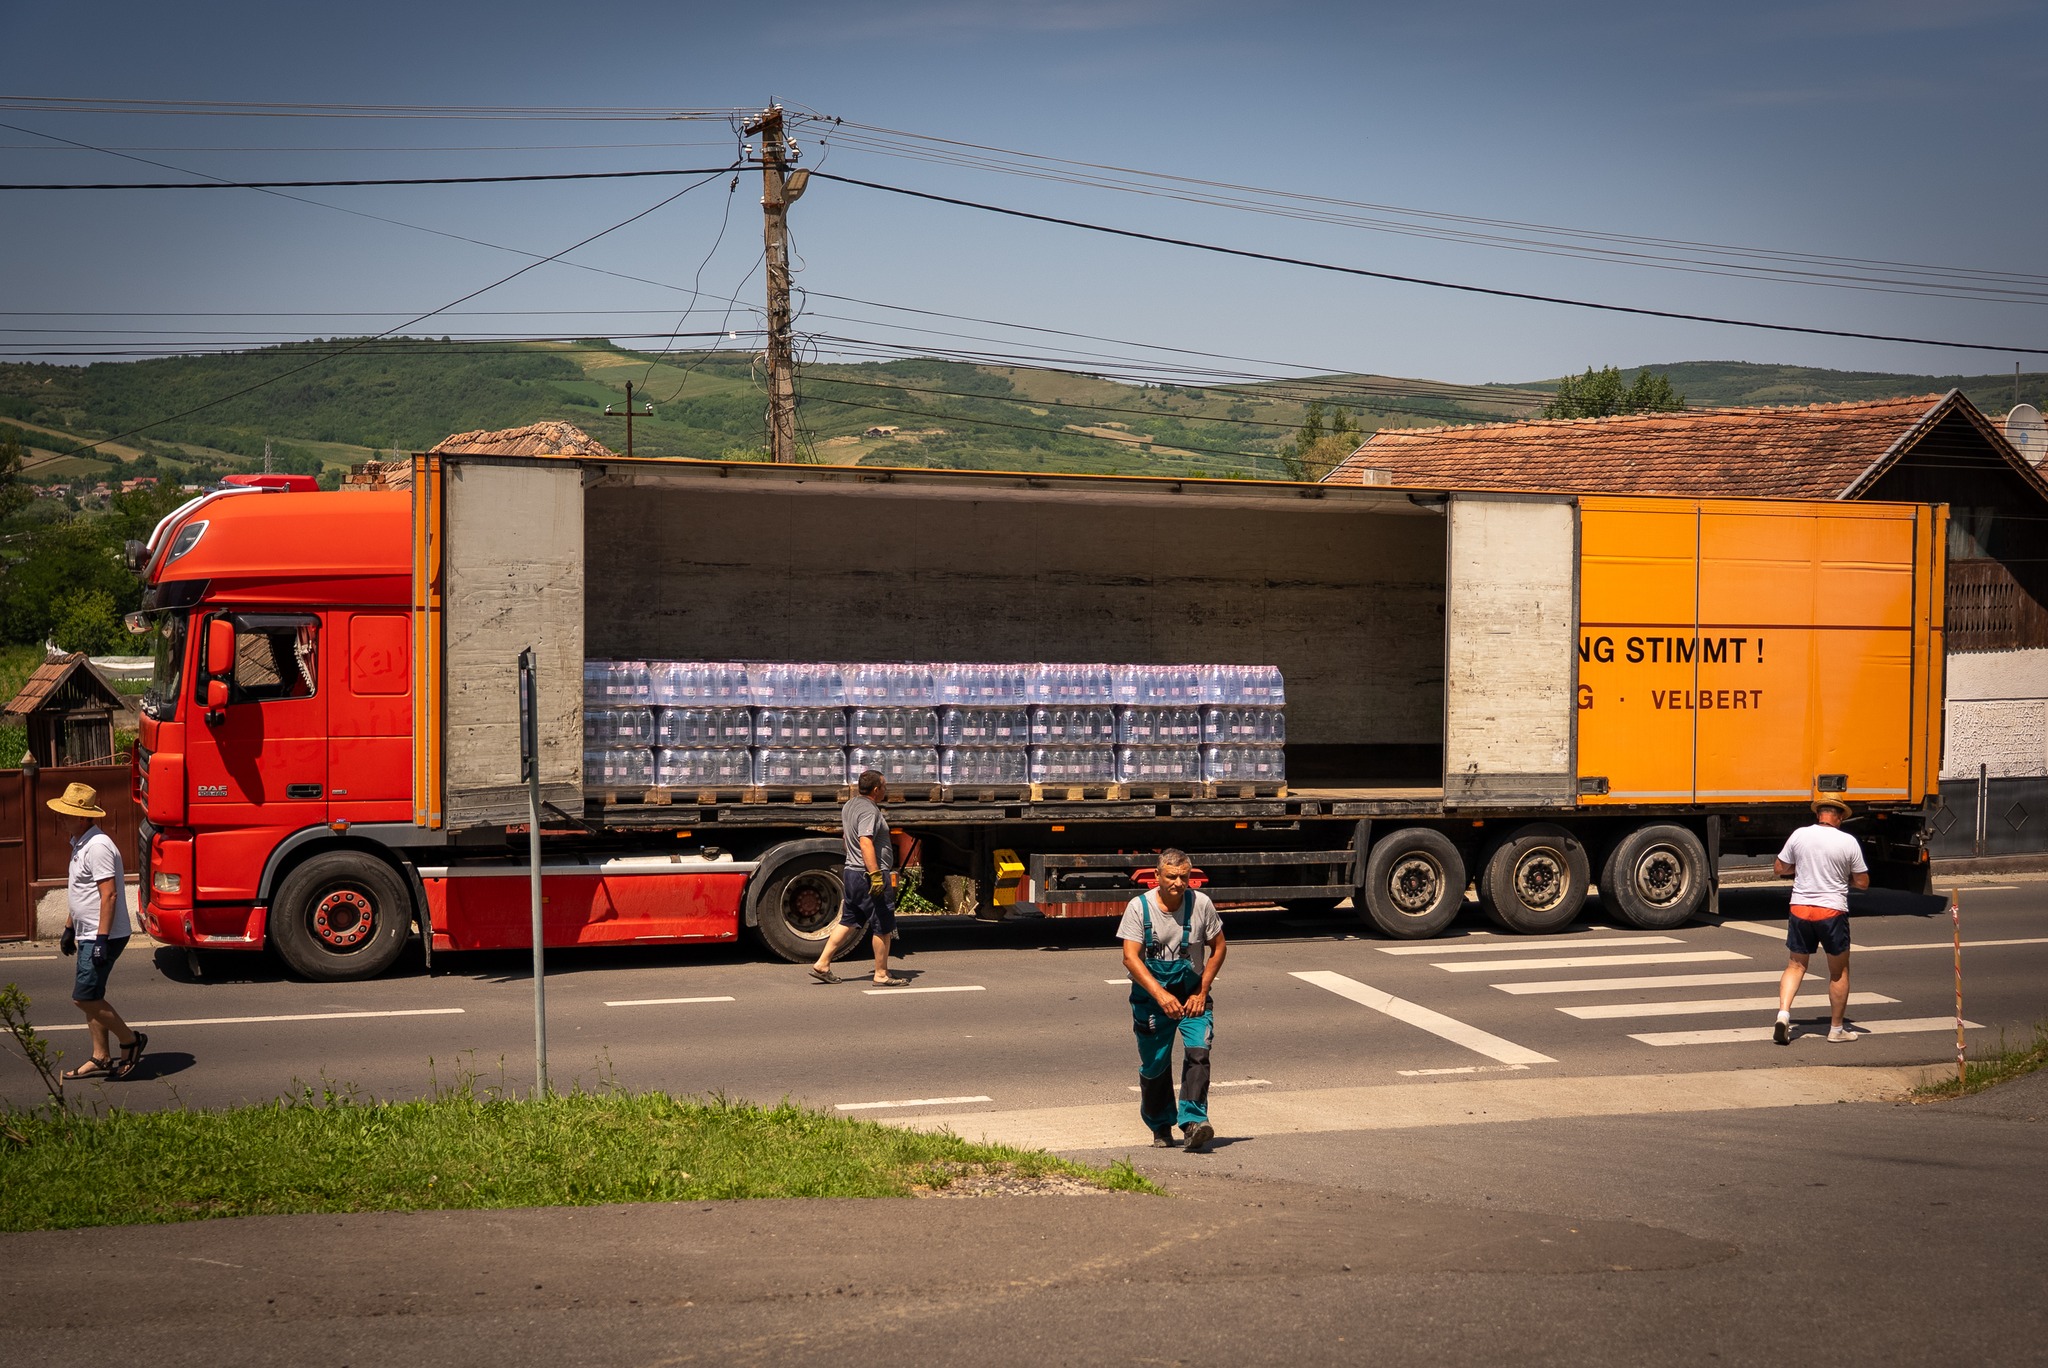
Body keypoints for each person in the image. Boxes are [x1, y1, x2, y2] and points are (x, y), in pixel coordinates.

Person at [1119, 848, 1227, 1152]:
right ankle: (1160, 1126)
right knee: (1154, 1065)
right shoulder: (1139, 908)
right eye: (1171, 877)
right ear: (1157, 876)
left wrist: (1202, 991)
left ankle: (1194, 1123)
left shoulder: (1201, 904)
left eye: (1184, 877)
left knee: (1199, 1053)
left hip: (1193, 997)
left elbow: (1219, 948)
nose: (1178, 883)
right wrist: (1160, 994)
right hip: (1152, 999)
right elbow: (1130, 957)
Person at [52, 782, 145, 1080]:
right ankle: (101, 1057)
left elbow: (109, 894)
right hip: (87, 933)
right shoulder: (79, 843)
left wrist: (102, 940)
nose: (61, 818)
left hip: (102, 935)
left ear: (82, 817)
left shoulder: (98, 846)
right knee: (93, 994)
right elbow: (82, 893)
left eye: (66, 814)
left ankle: (130, 1040)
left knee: (84, 997)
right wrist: (69, 927)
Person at [1771, 796, 1869, 1045]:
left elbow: (1779, 867)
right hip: (1831, 912)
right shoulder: (1848, 842)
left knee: (1795, 965)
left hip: (1801, 909)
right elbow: (1863, 882)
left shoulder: (1799, 835)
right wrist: (1843, 877)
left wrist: (1801, 867)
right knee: (1838, 972)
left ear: (1819, 815)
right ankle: (1836, 1029)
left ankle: (1783, 1015)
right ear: (1840, 817)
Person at [809, 769, 908, 988]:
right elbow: (865, 841)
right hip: (868, 874)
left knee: (849, 920)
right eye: (884, 786)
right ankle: (881, 973)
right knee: (882, 924)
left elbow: (847, 838)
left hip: (852, 872)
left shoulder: (849, 806)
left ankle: (822, 963)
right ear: (876, 789)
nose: (885, 790)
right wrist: (875, 875)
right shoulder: (869, 811)